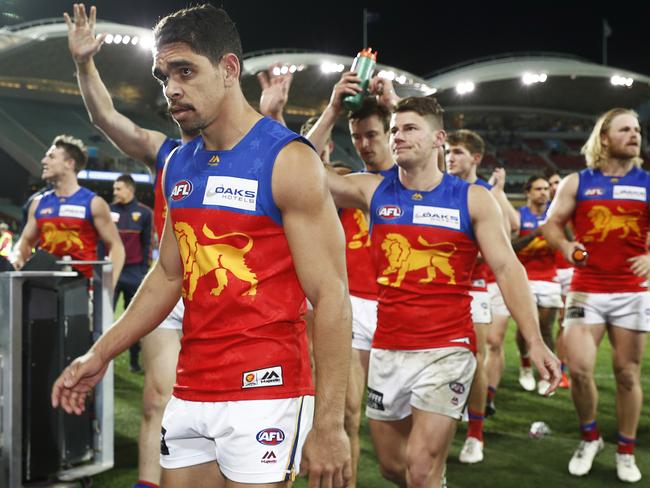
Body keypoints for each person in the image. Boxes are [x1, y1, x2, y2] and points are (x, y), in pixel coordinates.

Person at [53, 5, 352, 487]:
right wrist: (99, 353)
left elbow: (332, 295)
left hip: (266, 389)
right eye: (163, 75)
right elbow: (170, 275)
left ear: (229, 69)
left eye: (185, 70)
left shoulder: (289, 160)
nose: (171, 88)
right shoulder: (180, 165)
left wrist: (330, 424)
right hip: (192, 385)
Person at [317, 95, 560, 487]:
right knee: (393, 468)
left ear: (438, 140)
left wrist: (534, 339)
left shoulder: (472, 198)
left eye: (410, 128)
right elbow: (303, 170)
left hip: (448, 348)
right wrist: (330, 111)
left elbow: (506, 267)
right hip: (389, 348)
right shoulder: (372, 189)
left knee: (420, 466)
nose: (398, 136)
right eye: (395, 129)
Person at [65, 5, 189, 485]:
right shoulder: (167, 152)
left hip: (222, 295)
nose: (176, 96)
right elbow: (105, 117)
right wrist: (83, 64)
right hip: (168, 291)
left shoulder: (250, 154)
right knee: (157, 397)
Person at [543, 108, 648, 483]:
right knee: (582, 370)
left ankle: (625, 449)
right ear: (604, 137)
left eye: (637, 129)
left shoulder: (648, 182)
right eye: (625, 129)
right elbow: (551, 224)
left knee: (627, 374)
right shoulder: (578, 182)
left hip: (632, 294)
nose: (635, 134)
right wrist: (567, 246)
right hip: (586, 291)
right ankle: (590, 438)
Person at [306, 73, 396, 486]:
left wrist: (395, 106)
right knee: (346, 413)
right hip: (354, 307)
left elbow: (438, 167)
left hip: (402, 311)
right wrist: (332, 110)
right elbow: (300, 163)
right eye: (357, 136)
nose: (364, 144)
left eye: (372, 135)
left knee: (400, 438)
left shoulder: (418, 181)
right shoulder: (346, 182)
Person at [445, 129, 516, 464]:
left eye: (457, 152)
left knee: (473, 363)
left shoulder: (486, 194)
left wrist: (499, 192)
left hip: (473, 288)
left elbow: (508, 235)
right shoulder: (438, 187)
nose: (450, 157)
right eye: (447, 151)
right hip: (438, 288)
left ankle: (476, 434)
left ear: (475, 158)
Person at [11, 135, 124, 286]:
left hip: (80, 288)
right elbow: (25, 242)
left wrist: (107, 286)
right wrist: (17, 256)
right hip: (44, 286)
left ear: (69, 163)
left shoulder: (94, 203)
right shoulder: (38, 203)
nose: (44, 161)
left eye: (51, 157)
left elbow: (116, 247)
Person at [511, 175, 563, 395]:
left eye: (545, 188)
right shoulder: (518, 216)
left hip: (550, 279)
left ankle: (547, 374)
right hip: (524, 280)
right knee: (525, 329)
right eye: (538, 188)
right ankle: (525, 365)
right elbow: (511, 247)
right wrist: (535, 234)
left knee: (546, 329)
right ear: (528, 192)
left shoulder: (556, 216)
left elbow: (568, 240)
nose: (544, 192)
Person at [111, 174, 153, 373]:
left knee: (135, 320)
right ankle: (103, 358)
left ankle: (134, 361)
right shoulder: (109, 211)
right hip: (111, 272)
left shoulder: (144, 213)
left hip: (134, 273)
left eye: (118, 189)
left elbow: (147, 244)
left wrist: (143, 270)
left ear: (130, 189)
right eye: (114, 189)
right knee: (104, 316)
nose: (115, 192)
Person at [545, 168, 573, 389]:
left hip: (570, 272)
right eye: (550, 184)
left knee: (564, 323)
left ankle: (561, 370)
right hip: (549, 273)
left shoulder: (572, 207)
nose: (554, 187)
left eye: (557, 183)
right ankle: (541, 365)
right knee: (546, 325)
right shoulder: (540, 211)